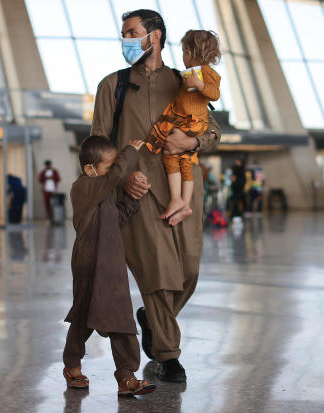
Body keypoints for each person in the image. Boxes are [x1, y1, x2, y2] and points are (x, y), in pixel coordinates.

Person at [91, 9, 221, 383]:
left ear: (156, 36)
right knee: (160, 275)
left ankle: (151, 317)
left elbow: (214, 130)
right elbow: (97, 144)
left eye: (132, 32)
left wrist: (192, 140)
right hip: (137, 193)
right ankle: (169, 354)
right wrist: (122, 178)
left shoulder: (186, 81)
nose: (126, 40)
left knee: (188, 272)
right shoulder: (111, 86)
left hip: (182, 188)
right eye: (124, 34)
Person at [62, 136, 156, 397]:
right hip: (89, 262)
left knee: (121, 319)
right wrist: (130, 152)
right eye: (110, 165)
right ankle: (72, 365)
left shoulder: (102, 194)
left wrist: (136, 198)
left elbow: (118, 217)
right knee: (84, 317)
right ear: (89, 168)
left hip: (112, 267)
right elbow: (114, 177)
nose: (116, 170)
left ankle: (127, 377)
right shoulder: (83, 188)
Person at [146, 29, 221, 226]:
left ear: (189, 52)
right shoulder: (186, 76)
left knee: (179, 159)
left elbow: (215, 93)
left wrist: (198, 84)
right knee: (179, 160)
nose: (183, 57)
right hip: (183, 121)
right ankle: (181, 202)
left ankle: (179, 200)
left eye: (183, 52)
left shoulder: (206, 73)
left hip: (193, 123)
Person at [230, 157, 246, 223]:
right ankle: (235, 215)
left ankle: (238, 215)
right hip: (235, 189)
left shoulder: (241, 171)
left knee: (239, 203)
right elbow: (233, 179)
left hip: (240, 189)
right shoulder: (235, 170)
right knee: (235, 203)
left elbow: (243, 180)